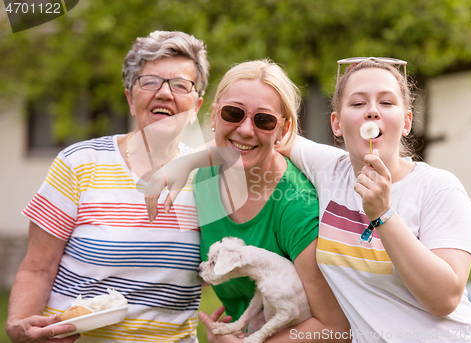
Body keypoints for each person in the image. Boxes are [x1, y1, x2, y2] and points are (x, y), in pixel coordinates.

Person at [6, 30, 209, 343]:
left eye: (180, 85)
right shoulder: (79, 163)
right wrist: (20, 325)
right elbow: (37, 269)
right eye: (150, 81)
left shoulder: (207, 180)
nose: (165, 93)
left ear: (196, 106)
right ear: (130, 98)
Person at [279, 57, 471, 342]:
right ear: (336, 124)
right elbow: (267, 135)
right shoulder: (329, 169)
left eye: (387, 103)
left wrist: (384, 214)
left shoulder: (440, 189)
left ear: (406, 122)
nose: (373, 111)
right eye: (357, 103)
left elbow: (445, 299)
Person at [145, 59, 351, 342]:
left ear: (283, 129)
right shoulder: (205, 178)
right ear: (215, 114)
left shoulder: (294, 205)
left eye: (264, 120)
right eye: (233, 113)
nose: (245, 130)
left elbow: (336, 328)